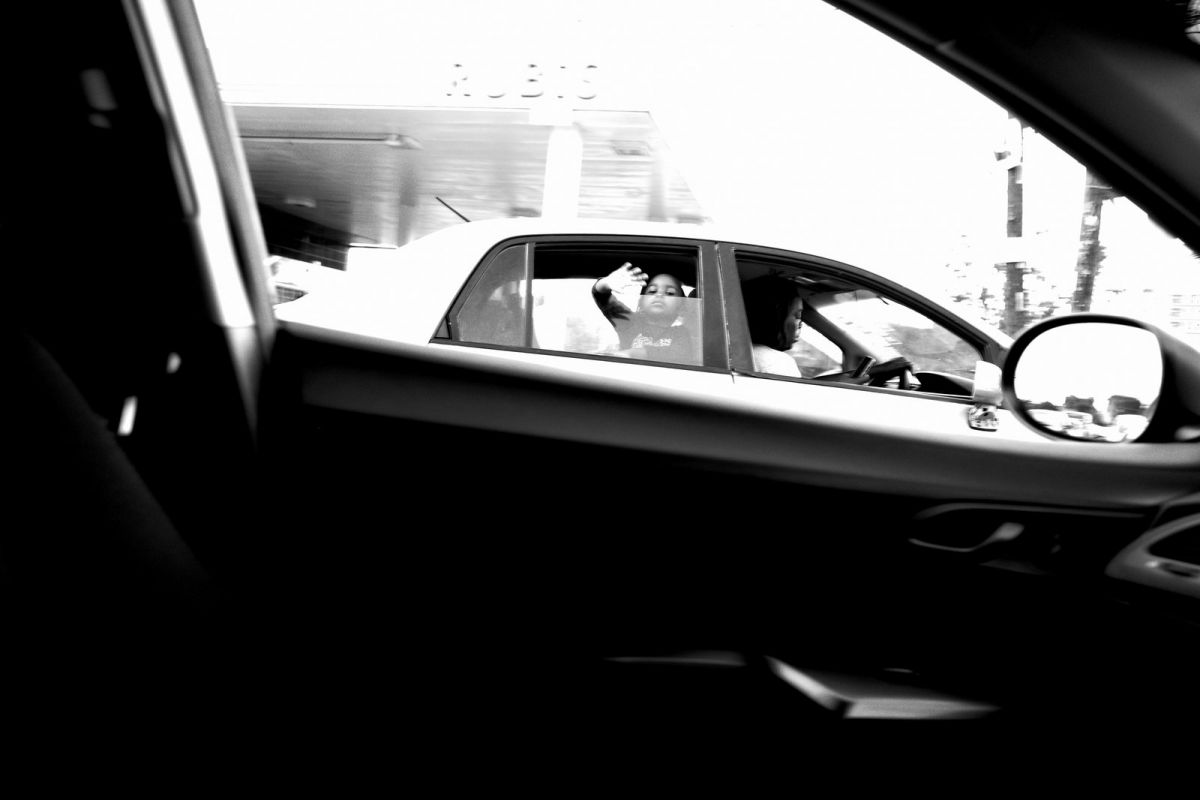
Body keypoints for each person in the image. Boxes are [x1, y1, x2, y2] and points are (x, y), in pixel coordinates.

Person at [591, 262, 697, 364]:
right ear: (641, 302)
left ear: (681, 307)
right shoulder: (630, 322)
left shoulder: (681, 333)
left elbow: (679, 354)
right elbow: (602, 297)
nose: (659, 295)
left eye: (670, 293)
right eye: (652, 291)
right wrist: (605, 283)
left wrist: (633, 353)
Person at [740, 275, 803, 376]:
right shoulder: (778, 364)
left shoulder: (735, 354)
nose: (800, 324)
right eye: (797, 315)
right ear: (774, 317)